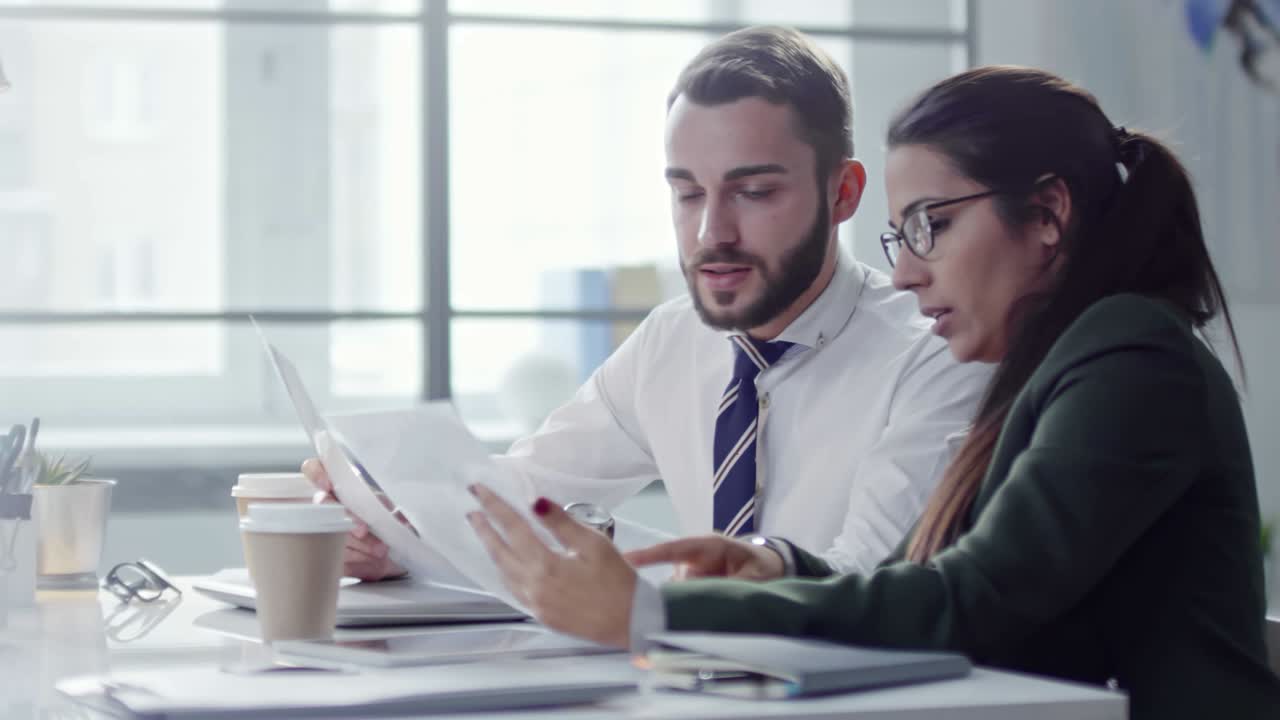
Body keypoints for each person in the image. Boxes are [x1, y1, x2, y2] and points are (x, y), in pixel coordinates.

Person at [466, 65, 1280, 719]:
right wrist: (769, 567)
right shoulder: (1062, 363)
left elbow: (969, 601)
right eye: (902, 234)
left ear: (1046, 216)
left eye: (933, 225)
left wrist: (659, 616)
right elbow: (919, 582)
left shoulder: (1131, 357)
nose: (904, 271)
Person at [306, 26, 988, 581]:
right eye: (688, 192)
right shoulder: (673, 339)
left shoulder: (937, 353)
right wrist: (389, 523)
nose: (709, 233)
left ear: (843, 194)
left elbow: (865, 582)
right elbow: (524, 494)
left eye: (753, 193)